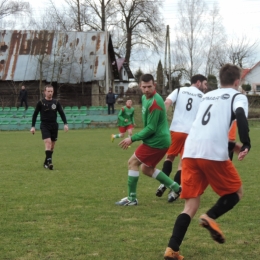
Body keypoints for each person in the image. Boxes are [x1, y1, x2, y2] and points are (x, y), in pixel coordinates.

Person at [164, 63, 251, 260]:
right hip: (211, 153)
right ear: (237, 82)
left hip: (191, 151)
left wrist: (232, 145)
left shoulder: (207, 96)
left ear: (220, 81)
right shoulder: (238, 96)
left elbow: (206, 126)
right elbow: (240, 116)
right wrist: (246, 143)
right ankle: (210, 217)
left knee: (190, 205)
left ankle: (172, 249)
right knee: (236, 191)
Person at [115, 74, 181, 206]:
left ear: (154, 85)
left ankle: (132, 198)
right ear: (140, 86)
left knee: (132, 162)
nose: (146, 90)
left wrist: (132, 138)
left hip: (157, 141)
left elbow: (151, 128)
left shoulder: (155, 102)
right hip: (157, 140)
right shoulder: (145, 98)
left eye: (149, 87)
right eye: (144, 87)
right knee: (146, 169)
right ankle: (176, 188)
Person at [156, 74, 208, 202]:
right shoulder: (203, 97)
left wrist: (160, 120)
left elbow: (167, 102)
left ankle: (163, 183)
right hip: (192, 133)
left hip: (176, 130)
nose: (206, 87)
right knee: (182, 163)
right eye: (205, 84)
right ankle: (174, 191)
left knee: (170, 157)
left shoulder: (179, 90)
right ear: (198, 82)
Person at [30, 84, 69, 170]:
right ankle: (50, 162)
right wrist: (33, 126)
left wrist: (65, 124)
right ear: (44, 92)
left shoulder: (56, 102)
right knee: (48, 142)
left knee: (52, 146)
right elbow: (35, 115)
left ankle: (46, 162)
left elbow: (61, 113)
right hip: (45, 125)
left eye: (51, 91)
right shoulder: (40, 103)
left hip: (54, 125)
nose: (50, 93)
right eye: (48, 91)